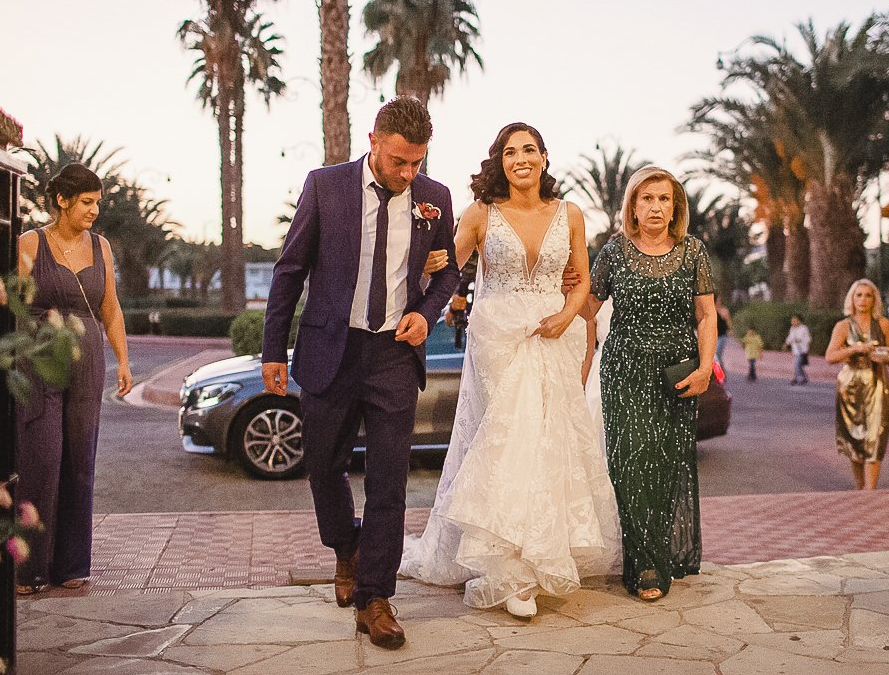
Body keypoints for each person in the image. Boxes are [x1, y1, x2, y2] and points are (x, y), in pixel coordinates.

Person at [261, 97, 460, 650]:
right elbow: (290, 269)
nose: (408, 173)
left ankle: (377, 595)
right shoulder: (325, 186)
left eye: (417, 162)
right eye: (399, 161)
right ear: (373, 141)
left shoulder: (434, 198)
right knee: (324, 465)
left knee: (389, 479)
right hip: (331, 347)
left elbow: (449, 273)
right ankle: (345, 550)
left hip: (395, 352)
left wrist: (425, 312)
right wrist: (272, 349)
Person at [400, 122, 620, 619]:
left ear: (543, 157)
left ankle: (538, 559)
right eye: (510, 151)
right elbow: (449, 269)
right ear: (500, 161)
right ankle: (506, 568)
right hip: (498, 338)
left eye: (529, 149)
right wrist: (432, 260)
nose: (520, 158)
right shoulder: (482, 213)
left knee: (549, 443)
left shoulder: (571, 214)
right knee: (504, 441)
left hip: (554, 332)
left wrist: (566, 316)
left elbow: (582, 280)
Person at [587, 165, 717, 602]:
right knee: (629, 462)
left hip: (676, 372)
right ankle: (644, 563)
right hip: (624, 371)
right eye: (647, 199)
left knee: (665, 465)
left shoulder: (693, 251)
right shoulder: (614, 252)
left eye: (664, 199)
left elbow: (706, 315)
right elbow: (586, 307)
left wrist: (705, 367)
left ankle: (653, 559)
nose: (656, 207)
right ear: (633, 206)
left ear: (675, 206)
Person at [15, 163, 133, 594]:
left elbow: (111, 308)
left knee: (80, 463)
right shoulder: (30, 244)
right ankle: (27, 569)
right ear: (62, 201)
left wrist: (122, 359)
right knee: (40, 460)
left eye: (97, 202)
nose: (94, 211)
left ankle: (69, 566)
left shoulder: (100, 247)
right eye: (86, 202)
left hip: (87, 366)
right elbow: (10, 305)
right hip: (39, 364)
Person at [825, 279, 889, 490]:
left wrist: (884, 356)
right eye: (859, 295)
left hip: (877, 383)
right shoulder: (843, 326)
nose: (863, 300)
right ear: (852, 299)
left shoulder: (883, 324)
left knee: (875, 435)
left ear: (874, 299)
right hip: (851, 385)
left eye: (868, 295)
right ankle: (860, 487)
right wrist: (854, 349)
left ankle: (870, 490)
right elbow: (830, 356)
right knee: (855, 438)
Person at [783, 314, 812, 385]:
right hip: (796, 350)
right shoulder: (792, 328)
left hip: (802, 349)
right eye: (792, 321)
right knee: (798, 365)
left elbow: (808, 338)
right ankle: (802, 378)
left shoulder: (804, 328)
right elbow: (790, 337)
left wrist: (803, 342)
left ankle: (799, 378)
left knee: (797, 364)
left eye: (794, 321)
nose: (792, 322)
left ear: (799, 321)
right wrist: (786, 343)